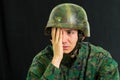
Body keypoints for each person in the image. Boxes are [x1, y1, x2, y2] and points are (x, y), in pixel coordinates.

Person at [26, 3, 120, 80]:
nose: (63, 40)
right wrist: (56, 60)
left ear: (81, 36)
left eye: (69, 32)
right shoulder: (41, 61)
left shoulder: (100, 60)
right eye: (58, 33)